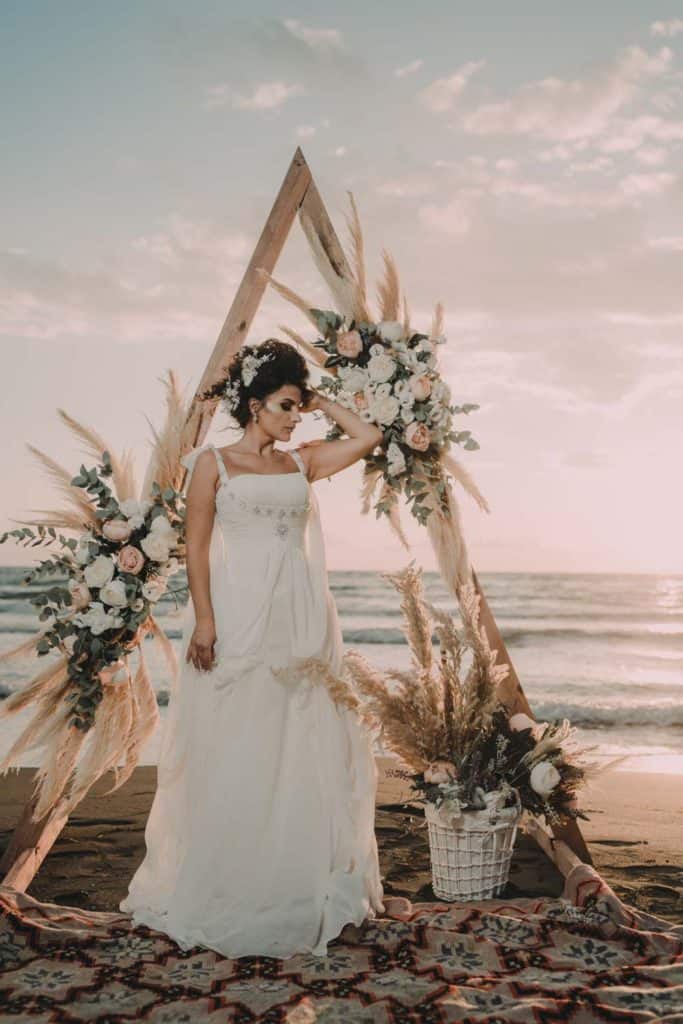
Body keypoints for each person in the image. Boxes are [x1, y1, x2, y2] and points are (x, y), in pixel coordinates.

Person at [120, 338, 386, 959]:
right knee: (242, 737)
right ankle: (237, 877)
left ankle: (296, 873)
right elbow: (195, 547)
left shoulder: (301, 464)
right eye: (285, 405)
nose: (295, 418)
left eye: (297, 406)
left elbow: (368, 435)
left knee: (302, 738)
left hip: (302, 619)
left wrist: (317, 398)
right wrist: (205, 622)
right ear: (254, 403)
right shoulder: (212, 464)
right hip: (240, 615)